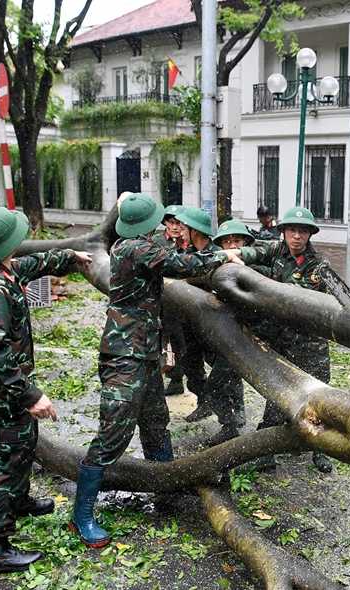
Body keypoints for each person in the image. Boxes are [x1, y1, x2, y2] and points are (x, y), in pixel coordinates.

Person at [69, 194, 234, 548]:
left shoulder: (139, 243)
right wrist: (224, 254)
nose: (165, 227)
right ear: (145, 226)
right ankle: (81, 516)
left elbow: (171, 247)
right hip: (123, 356)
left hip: (144, 354)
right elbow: (180, 264)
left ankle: (166, 486)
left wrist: (190, 235)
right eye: (160, 222)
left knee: (156, 420)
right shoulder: (132, 249)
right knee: (113, 432)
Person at [0, 206, 93, 575]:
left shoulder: (0, 269)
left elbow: (33, 263)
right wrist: (31, 394)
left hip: (6, 389)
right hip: (2, 392)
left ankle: (18, 502)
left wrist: (70, 257)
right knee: (7, 460)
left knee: (23, 446)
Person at [224, 207, 334, 473]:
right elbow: (256, 252)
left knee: (318, 398)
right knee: (277, 395)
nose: (296, 236)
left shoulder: (318, 265)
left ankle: (321, 449)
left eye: (303, 231)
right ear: (283, 231)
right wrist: (235, 253)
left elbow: (296, 297)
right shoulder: (277, 250)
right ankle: (266, 453)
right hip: (281, 341)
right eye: (292, 230)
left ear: (310, 234)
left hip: (310, 345)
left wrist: (258, 275)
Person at [174, 209, 248, 446]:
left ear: (195, 230)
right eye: (227, 240)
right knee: (191, 365)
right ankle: (204, 402)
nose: (180, 230)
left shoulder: (218, 256)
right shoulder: (185, 253)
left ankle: (236, 413)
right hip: (192, 326)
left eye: (184, 227)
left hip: (217, 325)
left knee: (224, 372)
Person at [153, 204, 190, 397]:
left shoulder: (188, 242)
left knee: (184, 343)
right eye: (172, 222)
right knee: (165, 342)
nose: (175, 227)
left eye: (179, 223)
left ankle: (189, 379)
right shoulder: (157, 242)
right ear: (165, 223)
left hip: (185, 300)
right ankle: (174, 380)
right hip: (163, 300)